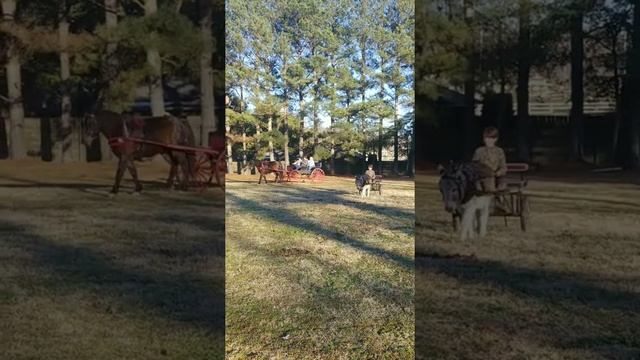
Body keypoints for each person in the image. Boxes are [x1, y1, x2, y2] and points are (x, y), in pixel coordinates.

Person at [473, 126, 507, 193]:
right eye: (487, 138)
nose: (488, 141)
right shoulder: (479, 151)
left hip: (496, 177)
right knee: (488, 180)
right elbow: (474, 166)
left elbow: (503, 167)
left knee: (497, 180)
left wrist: (498, 172)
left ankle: (495, 196)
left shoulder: (499, 151)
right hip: (483, 177)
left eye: (491, 138)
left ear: (495, 139)